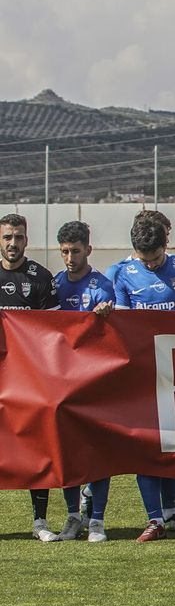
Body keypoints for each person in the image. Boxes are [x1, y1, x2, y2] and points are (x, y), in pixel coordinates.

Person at [113, 213, 175, 542]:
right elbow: (121, 328)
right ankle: (154, 519)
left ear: (166, 245)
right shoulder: (123, 274)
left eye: (154, 258)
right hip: (144, 378)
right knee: (147, 449)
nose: (150, 265)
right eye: (144, 259)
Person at [0, 213, 65, 542]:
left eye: (19, 237)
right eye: (8, 237)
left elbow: (51, 334)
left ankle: (40, 520)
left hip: (28, 379)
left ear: (27, 240)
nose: (13, 244)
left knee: (36, 447)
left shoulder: (40, 278)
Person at [53, 221, 114, 542]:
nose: (69, 258)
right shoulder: (54, 285)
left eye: (75, 251)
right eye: (64, 251)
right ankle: (73, 516)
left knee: (97, 451)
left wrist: (107, 316)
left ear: (88, 250)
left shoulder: (102, 287)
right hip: (63, 383)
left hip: (95, 382)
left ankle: (98, 521)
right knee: (67, 452)